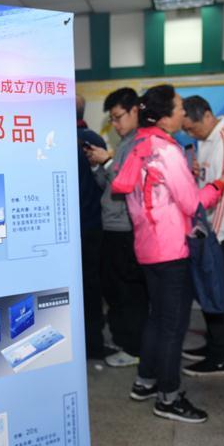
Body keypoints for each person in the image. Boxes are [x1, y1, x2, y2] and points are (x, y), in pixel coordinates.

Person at [112, 85, 224, 423]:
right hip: (171, 250)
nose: (184, 112)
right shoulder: (167, 152)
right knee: (172, 326)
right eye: (180, 106)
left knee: (157, 319)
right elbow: (193, 204)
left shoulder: (139, 145)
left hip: (147, 247)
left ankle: (146, 381)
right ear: (166, 116)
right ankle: (168, 398)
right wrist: (221, 182)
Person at [179, 96, 224, 376]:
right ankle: (212, 346)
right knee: (210, 291)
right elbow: (209, 186)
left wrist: (214, 239)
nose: (190, 134)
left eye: (192, 128)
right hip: (212, 231)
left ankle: (219, 357)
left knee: (219, 294)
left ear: (207, 116)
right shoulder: (207, 139)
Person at [84, 88, 149, 368]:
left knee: (128, 293)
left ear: (135, 110)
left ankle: (133, 347)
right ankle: (124, 341)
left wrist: (107, 162)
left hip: (126, 229)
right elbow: (111, 186)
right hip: (112, 227)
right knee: (114, 290)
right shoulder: (123, 142)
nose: (117, 124)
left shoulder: (140, 143)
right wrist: (100, 168)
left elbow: (129, 184)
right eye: (112, 119)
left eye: (119, 117)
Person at [76, 94, 108, 363]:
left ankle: (77, 344)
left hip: (69, 232)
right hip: (93, 226)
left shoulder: (53, 139)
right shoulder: (94, 141)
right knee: (92, 287)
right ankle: (95, 343)